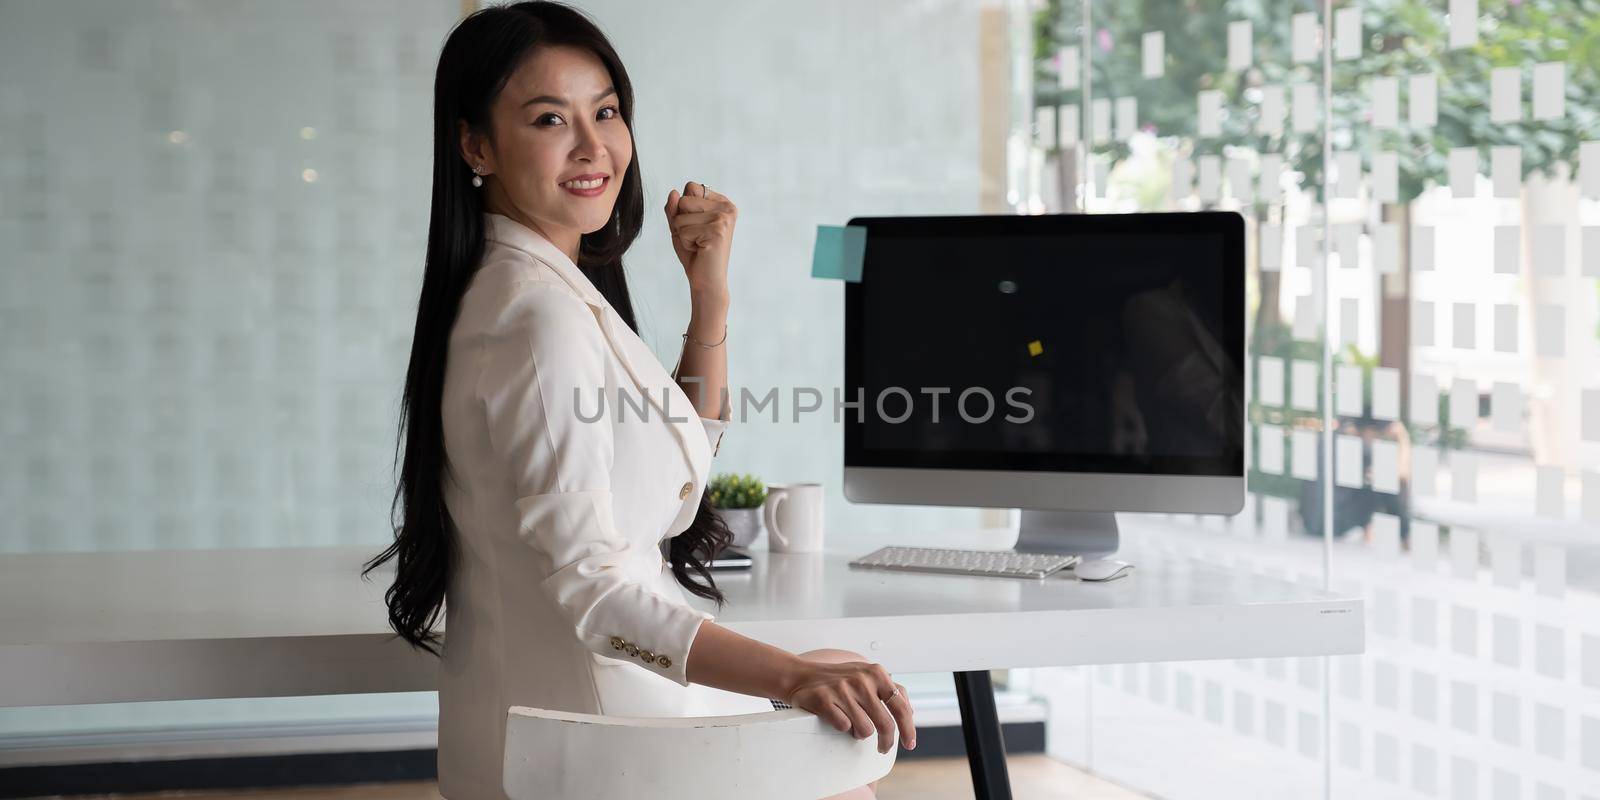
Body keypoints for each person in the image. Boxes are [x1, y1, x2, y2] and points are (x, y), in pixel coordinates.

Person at [361, 3, 913, 797]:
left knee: (842, 683)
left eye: (607, 111)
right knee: (849, 747)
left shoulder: (527, 286)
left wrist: (709, 302)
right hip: (597, 742)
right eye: (551, 118)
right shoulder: (536, 317)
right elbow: (595, 592)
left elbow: (670, 466)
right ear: (475, 144)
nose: (594, 148)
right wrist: (788, 677)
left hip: (569, 716)